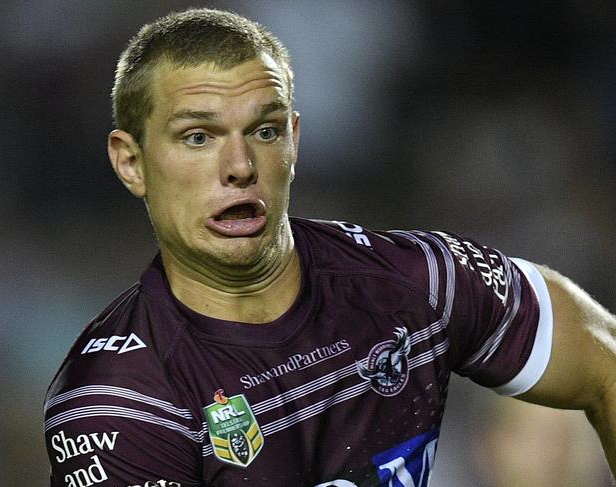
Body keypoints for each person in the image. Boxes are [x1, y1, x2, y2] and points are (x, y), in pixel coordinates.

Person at [43, 8, 616, 487]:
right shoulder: (117, 400)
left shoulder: (414, 283)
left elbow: (604, 363)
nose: (239, 167)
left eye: (264, 131)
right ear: (131, 161)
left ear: (293, 139)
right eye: (198, 137)